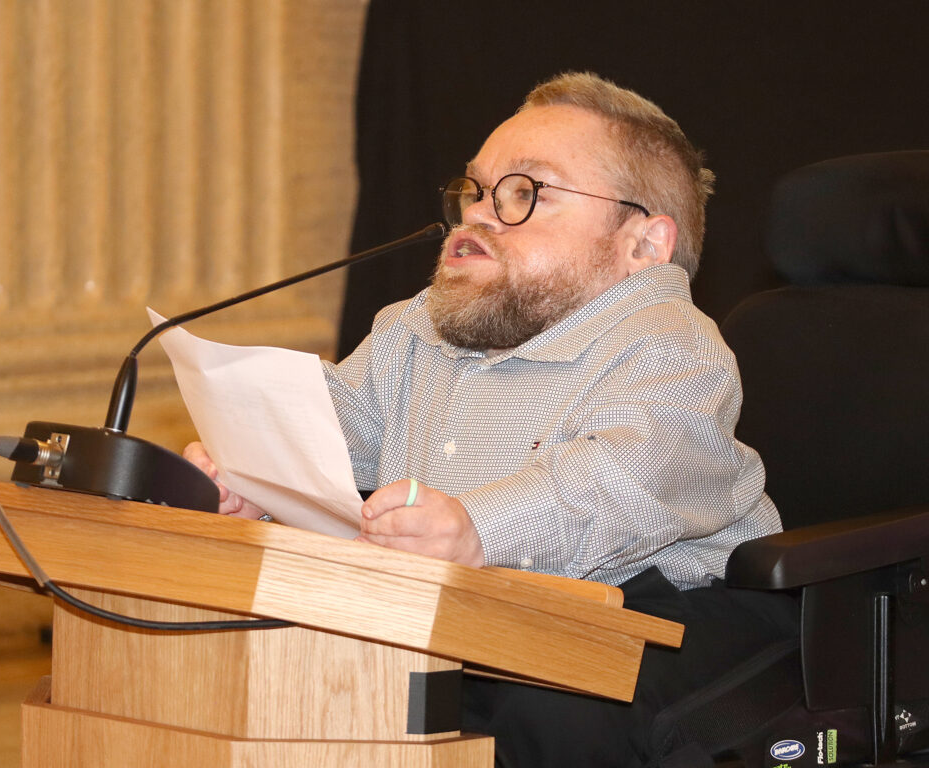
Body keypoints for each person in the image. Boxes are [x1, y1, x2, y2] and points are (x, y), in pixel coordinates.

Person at [185, 71, 797, 767]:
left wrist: (477, 530)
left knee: (551, 707)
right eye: (475, 191)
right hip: (479, 619)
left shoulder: (670, 342)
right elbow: (331, 429)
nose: (477, 215)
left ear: (643, 245)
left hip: (671, 614)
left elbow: (624, 480)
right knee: (278, 661)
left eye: (525, 192)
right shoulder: (414, 329)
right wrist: (252, 476)